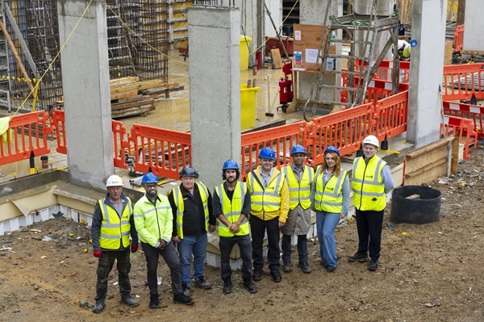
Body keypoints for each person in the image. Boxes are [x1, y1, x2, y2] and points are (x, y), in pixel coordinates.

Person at [133, 172, 194, 308]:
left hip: (165, 241)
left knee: (175, 264)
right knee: (152, 269)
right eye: (149, 186)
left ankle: (178, 294)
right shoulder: (139, 205)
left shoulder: (164, 200)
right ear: (144, 186)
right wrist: (155, 242)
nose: (152, 188)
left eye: (154, 185)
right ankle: (154, 297)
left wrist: (166, 239)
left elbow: (169, 219)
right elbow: (140, 228)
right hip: (150, 244)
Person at [90, 175, 139, 314]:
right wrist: (96, 247)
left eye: (117, 188)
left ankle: (126, 295)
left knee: (124, 272)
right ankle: (100, 300)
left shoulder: (128, 202)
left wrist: (134, 241)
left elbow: (132, 223)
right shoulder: (101, 205)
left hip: (123, 246)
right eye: (112, 188)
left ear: (121, 188)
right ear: (108, 189)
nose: (115, 191)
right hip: (106, 248)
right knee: (103, 275)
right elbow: (95, 227)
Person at [348, 135, 394, 271]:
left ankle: (374, 258)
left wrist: (379, 194)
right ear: (363, 148)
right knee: (362, 232)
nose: (368, 150)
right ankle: (361, 253)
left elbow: (389, 184)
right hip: (360, 204)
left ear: (376, 150)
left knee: (374, 234)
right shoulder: (356, 162)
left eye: (371, 148)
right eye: (366, 148)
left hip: (374, 206)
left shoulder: (381, 165)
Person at [168, 166, 216, 296]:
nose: (188, 181)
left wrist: (212, 222)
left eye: (191, 178)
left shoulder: (203, 189)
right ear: (181, 179)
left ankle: (199, 278)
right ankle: (185, 284)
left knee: (200, 257)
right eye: (185, 178)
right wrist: (174, 234)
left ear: (195, 179)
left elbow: (210, 205)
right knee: (185, 260)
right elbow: (170, 215)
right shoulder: (175, 194)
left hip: (201, 232)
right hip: (185, 236)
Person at [213, 159, 257, 294]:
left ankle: (247, 280)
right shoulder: (218, 190)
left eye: (233, 172)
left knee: (247, 258)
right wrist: (229, 225)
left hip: (242, 230)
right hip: (226, 232)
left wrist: (237, 224)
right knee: (225, 260)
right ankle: (227, 282)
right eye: (228, 172)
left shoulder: (244, 188)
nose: (230, 174)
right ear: (224, 174)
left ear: (237, 173)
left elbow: (247, 208)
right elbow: (217, 211)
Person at [247, 147, 289, 283]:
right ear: (260, 160)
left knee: (274, 245)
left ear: (273, 162)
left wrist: (283, 217)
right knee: (257, 244)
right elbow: (246, 197)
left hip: (273, 217)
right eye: (265, 160)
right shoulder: (251, 176)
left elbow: (285, 199)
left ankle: (274, 269)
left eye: (270, 160)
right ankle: (257, 268)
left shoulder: (280, 177)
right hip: (256, 216)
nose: (267, 163)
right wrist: (248, 215)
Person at [313, 146, 350, 272]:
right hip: (320, 208)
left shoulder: (343, 175)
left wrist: (344, 210)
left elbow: (346, 194)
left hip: (334, 210)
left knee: (327, 233)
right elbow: (314, 188)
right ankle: (325, 258)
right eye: (327, 158)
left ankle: (331, 262)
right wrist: (313, 203)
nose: (330, 161)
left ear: (337, 159)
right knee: (320, 234)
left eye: (332, 158)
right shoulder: (319, 170)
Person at [281, 145, 314, 274]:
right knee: (287, 235)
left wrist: (309, 203)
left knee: (302, 236)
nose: (299, 157)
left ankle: (303, 261)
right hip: (290, 208)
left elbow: (312, 190)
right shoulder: (284, 172)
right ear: (292, 157)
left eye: (301, 155)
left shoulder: (311, 171)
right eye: (296, 155)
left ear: (304, 157)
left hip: (304, 208)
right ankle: (287, 262)